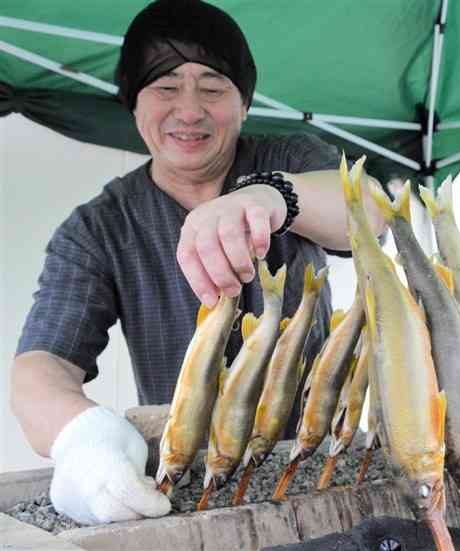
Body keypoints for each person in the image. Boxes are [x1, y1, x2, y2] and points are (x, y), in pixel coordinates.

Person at [10, 0, 385, 526]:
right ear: (133, 104)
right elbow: (39, 371)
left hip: (321, 473)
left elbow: (371, 211)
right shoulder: (97, 229)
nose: (189, 110)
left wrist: (273, 197)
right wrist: (85, 439)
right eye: (165, 88)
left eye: (213, 88)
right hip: (185, 488)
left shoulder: (291, 158)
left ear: (245, 104)